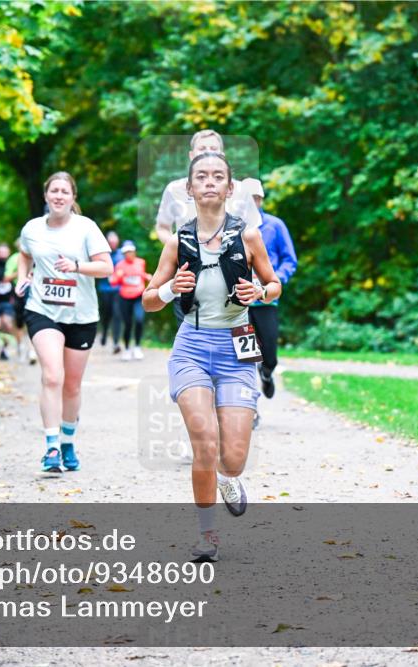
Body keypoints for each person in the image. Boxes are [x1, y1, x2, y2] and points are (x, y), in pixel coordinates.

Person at [143, 152, 281, 562]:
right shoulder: (177, 241)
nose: (208, 182)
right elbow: (149, 301)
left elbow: (274, 285)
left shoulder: (248, 237)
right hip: (192, 347)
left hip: (237, 346)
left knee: (234, 458)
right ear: (189, 189)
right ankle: (207, 537)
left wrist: (258, 292)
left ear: (229, 188)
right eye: (200, 176)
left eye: (217, 176)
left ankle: (228, 478)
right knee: (204, 441)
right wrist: (171, 290)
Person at [15, 171, 113, 473]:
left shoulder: (86, 228)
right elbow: (24, 253)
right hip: (42, 309)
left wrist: (77, 266)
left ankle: (68, 442)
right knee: (52, 376)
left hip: (81, 315)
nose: (59, 196)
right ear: (46, 196)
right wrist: (22, 277)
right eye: (54, 191)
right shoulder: (32, 228)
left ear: (72, 198)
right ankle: (52, 447)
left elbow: (107, 267)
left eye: (65, 192)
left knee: (71, 385)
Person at [155, 130, 263, 327]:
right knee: (190, 335)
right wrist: (178, 249)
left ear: (223, 154)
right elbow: (162, 227)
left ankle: (243, 355)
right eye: (202, 148)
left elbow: (254, 234)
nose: (208, 153)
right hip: (191, 278)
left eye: (214, 149)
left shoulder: (240, 190)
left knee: (239, 338)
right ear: (191, 155)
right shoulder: (175, 189)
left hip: (233, 279)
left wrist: (256, 281)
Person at [241, 178, 297, 404]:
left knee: (269, 352)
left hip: (266, 300)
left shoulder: (275, 225)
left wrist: (274, 281)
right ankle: (250, 407)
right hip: (240, 304)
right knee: (245, 357)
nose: (252, 202)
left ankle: (267, 372)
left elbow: (289, 260)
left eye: (256, 197)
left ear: (261, 199)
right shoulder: (233, 227)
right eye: (248, 198)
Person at [109, 240, 152, 360]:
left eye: (131, 251)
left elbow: (141, 274)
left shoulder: (141, 262)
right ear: (123, 254)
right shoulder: (120, 265)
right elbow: (113, 282)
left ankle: (137, 347)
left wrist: (148, 276)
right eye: (126, 252)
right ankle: (127, 349)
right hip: (124, 297)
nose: (129, 254)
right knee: (127, 324)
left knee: (139, 319)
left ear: (134, 252)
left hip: (139, 296)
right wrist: (118, 276)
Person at [3, 239, 36, 364]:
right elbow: (6, 277)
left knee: (34, 320)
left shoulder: (39, 255)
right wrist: (21, 272)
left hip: (36, 293)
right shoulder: (14, 259)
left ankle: (32, 350)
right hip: (19, 293)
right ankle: (20, 345)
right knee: (19, 322)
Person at [97, 231, 124, 352]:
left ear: (117, 241)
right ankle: (104, 332)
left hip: (118, 290)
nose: (113, 243)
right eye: (110, 241)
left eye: (114, 240)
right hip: (105, 289)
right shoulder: (102, 254)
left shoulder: (122, 254)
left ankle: (116, 342)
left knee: (117, 314)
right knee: (106, 315)